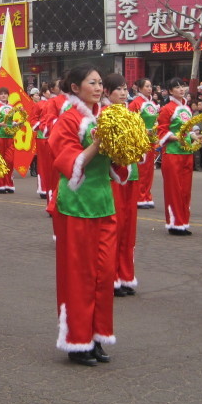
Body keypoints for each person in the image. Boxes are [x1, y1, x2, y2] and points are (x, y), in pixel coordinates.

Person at [48, 65, 116, 366]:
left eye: (101, 82)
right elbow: (68, 162)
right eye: (92, 82)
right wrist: (100, 143)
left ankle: (98, 335)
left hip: (104, 201)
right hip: (76, 203)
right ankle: (77, 339)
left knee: (104, 273)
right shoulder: (68, 119)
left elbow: (119, 165)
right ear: (75, 88)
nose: (99, 87)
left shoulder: (108, 115)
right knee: (79, 275)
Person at [104, 72, 139, 297]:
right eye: (119, 89)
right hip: (112, 177)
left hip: (131, 176)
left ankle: (126, 275)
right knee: (114, 229)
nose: (124, 93)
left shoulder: (131, 113)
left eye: (126, 89)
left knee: (128, 231)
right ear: (107, 92)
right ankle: (112, 276)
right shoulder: (104, 115)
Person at [157, 77, 202, 235]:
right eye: (176, 87)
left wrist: (195, 137)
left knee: (185, 190)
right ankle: (174, 223)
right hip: (172, 153)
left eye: (182, 86)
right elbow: (161, 131)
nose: (181, 89)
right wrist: (177, 137)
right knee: (174, 190)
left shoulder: (187, 108)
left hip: (186, 153)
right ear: (170, 91)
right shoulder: (167, 109)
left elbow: (188, 129)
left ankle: (183, 222)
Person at [128, 78, 159, 209]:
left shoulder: (152, 103)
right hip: (140, 140)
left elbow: (157, 120)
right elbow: (131, 123)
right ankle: (139, 196)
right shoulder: (135, 103)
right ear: (139, 88)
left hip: (151, 140)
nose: (149, 88)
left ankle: (147, 195)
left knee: (149, 169)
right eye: (146, 86)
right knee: (141, 169)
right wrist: (143, 131)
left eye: (150, 86)